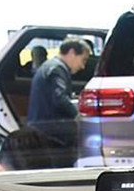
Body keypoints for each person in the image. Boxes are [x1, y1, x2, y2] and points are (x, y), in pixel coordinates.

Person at [25, 39, 91, 167]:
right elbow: (59, 99)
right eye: (83, 60)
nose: (83, 66)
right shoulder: (57, 69)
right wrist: (78, 116)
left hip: (42, 128)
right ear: (72, 53)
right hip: (51, 133)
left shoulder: (49, 66)